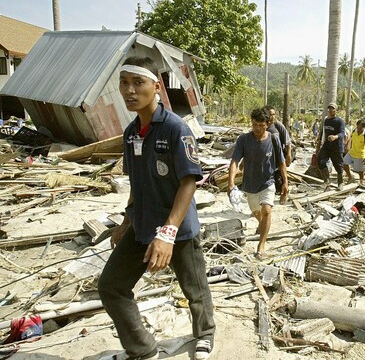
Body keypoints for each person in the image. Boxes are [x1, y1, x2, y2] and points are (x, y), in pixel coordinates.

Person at [98, 57, 215, 360]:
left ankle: (204, 335)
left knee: (194, 288)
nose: (129, 90)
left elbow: (189, 181)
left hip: (177, 229)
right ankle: (143, 349)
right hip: (141, 225)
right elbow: (137, 183)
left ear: (156, 86)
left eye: (138, 82)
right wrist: (126, 220)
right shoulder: (130, 133)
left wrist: (167, 232)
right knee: (111, 286)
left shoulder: (176, 129)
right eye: (124, 82)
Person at [228, 107, 288, 259]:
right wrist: (230, 183)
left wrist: (286, 183)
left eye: (261, 125)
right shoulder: (244, 139)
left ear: (267, 124)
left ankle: (261, 246)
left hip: (268, 182)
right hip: (249, 184)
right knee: (256, 212)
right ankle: (262, 224)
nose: (257, 128)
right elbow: (235, 161)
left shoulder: (273, 138)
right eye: (254, 124)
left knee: (266, 210)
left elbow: (281, 162)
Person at [316, 103, 346, 188]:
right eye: (329, 108)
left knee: (338, 166)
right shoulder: (326, 120)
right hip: (327, 145)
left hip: (336, 147)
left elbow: (342, 133)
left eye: (332, 108)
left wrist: (335, 137)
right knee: (320, 160)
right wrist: (318, 142)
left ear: (336, 110)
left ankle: (340, 183)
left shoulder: (340, 121)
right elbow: (323, 132)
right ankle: (326, 180)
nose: (330, 110)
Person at [264, 105, 292, 193]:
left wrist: (288, 155)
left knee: (279, 182)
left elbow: (288, 142)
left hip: (278, 158)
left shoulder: (278, 126)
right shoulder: (262, 126)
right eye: (270, 114)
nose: (272, 117)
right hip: (266, 158)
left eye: (273, 114)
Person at [343, 119, 365, 184]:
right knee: (343, 163)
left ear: (363, 127)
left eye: (360, 128)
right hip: (351, 152)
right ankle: (350, 177)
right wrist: (348, 147)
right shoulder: (354, 131)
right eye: (357, 127)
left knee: (360, 171)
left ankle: (361, 182)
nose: (358, 129)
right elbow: (350, 139)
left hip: (360, 155)